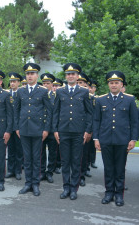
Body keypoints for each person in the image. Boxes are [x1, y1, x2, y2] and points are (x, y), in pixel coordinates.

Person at [93, 71, 138, 207]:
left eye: (116, 83)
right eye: (111, 83)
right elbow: (96, 120)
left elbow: (134, 121)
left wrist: (133, 139)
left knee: (119, 169)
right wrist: (96, 138)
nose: (113, 85)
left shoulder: (129, 100)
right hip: (105, 139)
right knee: (108, 168)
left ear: (121, 84)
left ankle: (119, 194)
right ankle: (109, 192)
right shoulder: (101, 100)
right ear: (108, 84)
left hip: (122, 140)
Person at [52, 63, 93, 200]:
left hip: (78, 132)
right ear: (66, 76)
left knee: (76, 161)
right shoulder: (60, 91)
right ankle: (66, 187)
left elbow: (89, 113)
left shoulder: (84, 91)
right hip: (63, 131)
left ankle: (74, 189)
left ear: (77, 76)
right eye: (68, 74)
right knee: (65, 161)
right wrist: (55, 129)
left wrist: (87, 130)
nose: (70, 76)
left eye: (73, 74)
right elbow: (55, 112)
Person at [14, 64, 52, 196]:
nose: (30, 76)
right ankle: (27, 183)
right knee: (27, 158)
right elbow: (16, 110)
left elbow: (49, 111)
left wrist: (46, 129)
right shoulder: (20, 91)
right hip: (24, 129)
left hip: (38, 129)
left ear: (36, 76)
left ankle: (35, 184)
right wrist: (17, 127)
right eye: (28, 74)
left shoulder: (43, 91)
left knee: (36, 158)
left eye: (32, 73)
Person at [39, 72, 57, 184]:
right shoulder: (39, 95)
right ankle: (41, 172)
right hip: (41, 128)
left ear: (52, 84)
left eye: (48, 83)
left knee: (52, 152)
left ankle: (50, 172)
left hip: (52, 129)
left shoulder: (56, 96)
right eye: (44, 83)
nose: (45, 85)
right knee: (40, 152)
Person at [6, 72, 23, 181]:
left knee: (19, 149)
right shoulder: (7, 94)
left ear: (19, 83)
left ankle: (18, 171)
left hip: (19, 126)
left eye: (14, 81)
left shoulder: (21, 93)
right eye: (11, 82)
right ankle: (10, 170)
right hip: (8, 126)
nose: (12, 83)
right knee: (10, 149)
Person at [76, 72, 93, 187]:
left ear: (86, 84)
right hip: (72, 128)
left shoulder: (90, 97)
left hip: (85, 129)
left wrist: (89, 130)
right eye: (77, 83)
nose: (79, 85)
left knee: (82, 155)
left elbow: (91, 114)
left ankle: (81, 176)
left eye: (81, 83)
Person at [52, 78, 63, 174]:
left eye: (57, 86)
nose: (55, 87)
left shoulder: (61, 95)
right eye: (54, 85)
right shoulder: (49, 96)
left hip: (60, 125)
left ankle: (58, 165)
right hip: (49, 126)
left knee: (58, 148)